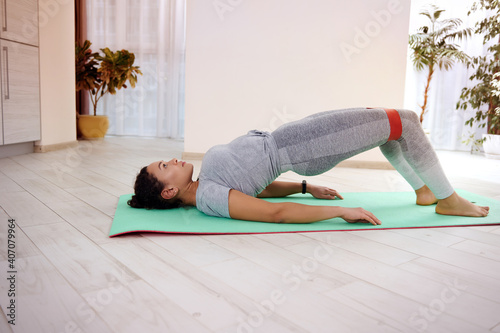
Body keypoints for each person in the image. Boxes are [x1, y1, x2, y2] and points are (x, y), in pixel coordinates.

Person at [128, 107, 490, 225]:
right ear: (169, 190)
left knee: (391, 130)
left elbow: (258, 188)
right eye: (165, 165)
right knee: (404, 122)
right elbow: (274, 213)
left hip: (296, 138)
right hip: (304, 147)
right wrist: (340, 213)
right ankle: (449, 199)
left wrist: (305, 187)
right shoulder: (208, 196)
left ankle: (425, 190)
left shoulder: (208, 183)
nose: (173, 159)